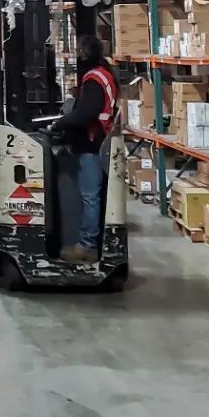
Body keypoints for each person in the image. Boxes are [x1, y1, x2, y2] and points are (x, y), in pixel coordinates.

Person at [56, 32, 119, 263]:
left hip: (93, 143)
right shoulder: (104, 73)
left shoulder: (93, 78)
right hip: (98, 140)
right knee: (92, 194)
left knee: (90, 196)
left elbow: (87, 113)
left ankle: (87, 246)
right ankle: (88, 241)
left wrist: (61, 123)